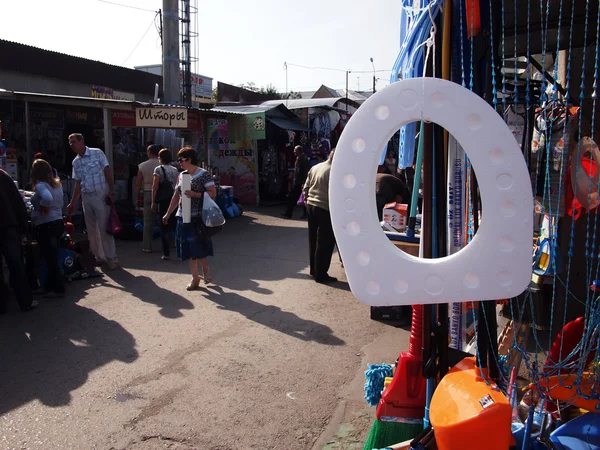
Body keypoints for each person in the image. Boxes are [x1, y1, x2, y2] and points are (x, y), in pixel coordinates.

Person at [162, 147, 217, 290]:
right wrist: (168, 214)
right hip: (183, 216)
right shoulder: (182, 175)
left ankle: (205, 269)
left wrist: (195, 194)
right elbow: (176, 196)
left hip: (198, 217)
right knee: (187, 247)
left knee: (197, 246)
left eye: (181, 160)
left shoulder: (204, 175)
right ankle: (195, 277)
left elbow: (212, 193)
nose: (179, 163)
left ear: (189, 160)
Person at [66, 133, 118, 270]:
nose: (72, 144)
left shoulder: (97, 153)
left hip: (100, 194)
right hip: (86, 196)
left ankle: (111, 258)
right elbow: (78, 183)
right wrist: (72, 203)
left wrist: (111, 191)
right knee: (91, 230)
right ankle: (99, 257)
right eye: (70, 142)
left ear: (81, 141)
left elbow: (107, 171)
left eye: (74, 141)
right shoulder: (75, 162)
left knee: (104, 228)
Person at [0, 169, 37, 313]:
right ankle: (25, 301)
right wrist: (24, 229)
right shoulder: (3, 176)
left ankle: (1, 305)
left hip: (8, 226)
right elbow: (18, 204)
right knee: (16, 265)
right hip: (8, 226)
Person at [30, 158, 65, 298]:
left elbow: (47, 198)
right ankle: (49, 286)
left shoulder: (41, 186)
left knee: (50, 258)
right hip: (57, 222)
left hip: (46, 224)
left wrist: (43, 207)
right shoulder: (57, 185)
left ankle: (58, 288)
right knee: (52, 256)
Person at [304, 148, 337, 284]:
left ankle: (314, 270)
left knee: (313, 240)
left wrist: (306, 201)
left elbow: (305, 187)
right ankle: (321, 274)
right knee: (324, 243)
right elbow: (336, 195)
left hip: (311, 206)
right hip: (325, 209)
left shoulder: (316, 167)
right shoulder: (335, 172)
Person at [152, 148, 179, 260]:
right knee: (175, 225)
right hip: (174, 198)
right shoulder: (175, 169)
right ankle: (178, 248)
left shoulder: (158, 169)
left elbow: (155, 186)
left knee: (164, 225)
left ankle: (166, 253)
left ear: (161, 158)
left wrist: (153, 201)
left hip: (163, 200)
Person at [135, 144, 161, 253]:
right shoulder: (162, 165)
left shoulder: (142, 166)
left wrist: (137, 198)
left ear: (149, 152)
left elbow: (137, 184)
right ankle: (169, 243)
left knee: (147, 221)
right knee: (164, 219)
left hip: (147, 192)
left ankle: (147, 246)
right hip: (161, 193)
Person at [282, 145, 309, 219]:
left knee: (301, 198)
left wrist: (304, 182)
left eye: (295, 150)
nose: (294, 151)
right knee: (295, 197)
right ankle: (289, 213)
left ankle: (289, 213)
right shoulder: (299, 158)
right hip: (297, 182)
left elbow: (305, 171)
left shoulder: (303, 159)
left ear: (299, 151)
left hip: (300, 182)